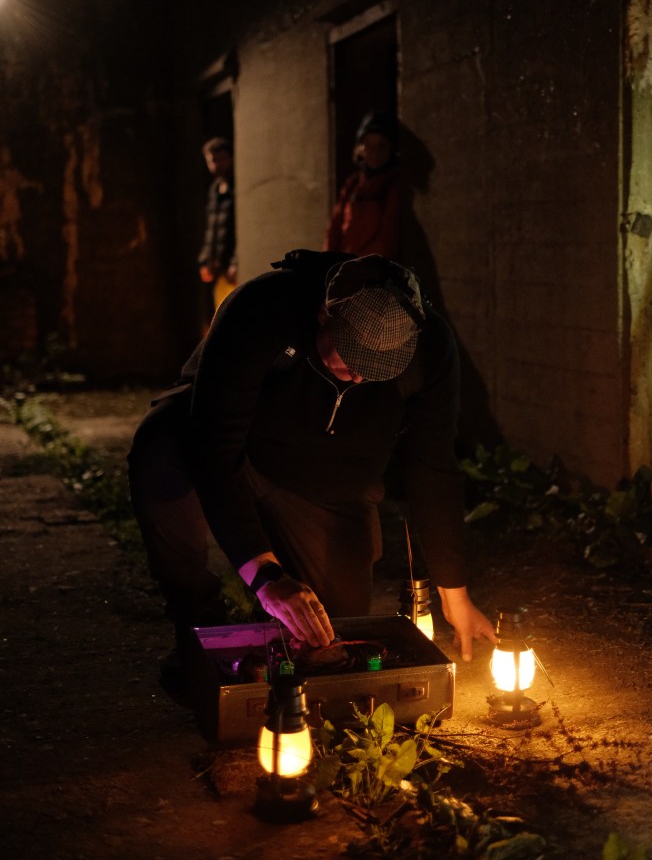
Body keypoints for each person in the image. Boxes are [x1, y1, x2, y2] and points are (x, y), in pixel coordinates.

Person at [128, 249, 496, 671]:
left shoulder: (431, 348)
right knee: (161, 443)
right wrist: (266, 575)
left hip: (327, 485)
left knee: (334, 632)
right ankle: (198, 622)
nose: (360, 376)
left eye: (377, 367)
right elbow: (215, 447)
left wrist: (456, 593)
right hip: (240, 444)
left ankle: (277, 620)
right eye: (351, 356)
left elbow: (433, 467)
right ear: (324, 314)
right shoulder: (262, 309)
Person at [324, 110, 402, 259]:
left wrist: (358, 269)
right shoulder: (352, 184)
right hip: (343, 270)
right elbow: (334, 229)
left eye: (381, 146)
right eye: (368, 145)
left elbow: (388, 238)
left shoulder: (393, 184)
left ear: (391, 149)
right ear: (361, 148)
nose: (374, 152)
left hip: (368, 273)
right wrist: (327, 263)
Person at [197, 136, 237, 333]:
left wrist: (236, 261)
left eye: (220, 159)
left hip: (232, 268)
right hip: (218, 267)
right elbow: (211, 228)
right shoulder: (214, 190)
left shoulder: (238, 187)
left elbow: (239, 225)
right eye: (211, 160)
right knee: (220, 317)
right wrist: (206, 260)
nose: (215, 165)